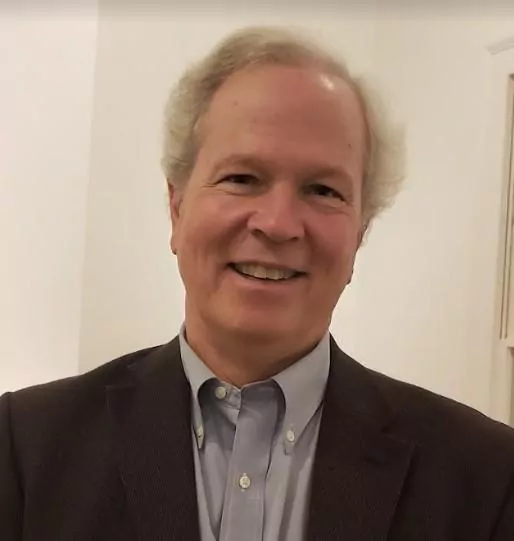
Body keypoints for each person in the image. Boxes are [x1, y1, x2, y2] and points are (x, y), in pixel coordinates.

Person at [1, 25, 514, 541]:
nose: (278, 223)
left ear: (360, 233)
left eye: (323, 190)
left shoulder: (486, 478)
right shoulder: (25, 449)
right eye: (242, 179)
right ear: (177, 208)